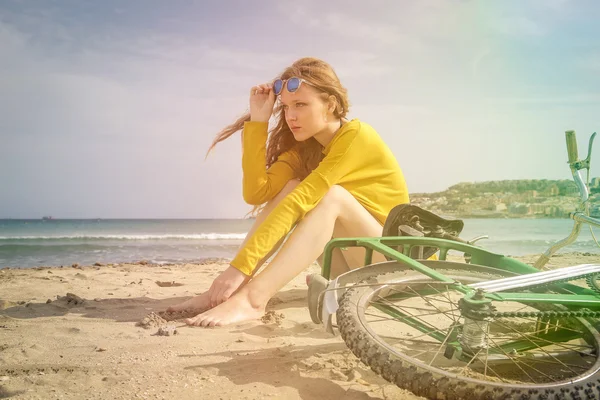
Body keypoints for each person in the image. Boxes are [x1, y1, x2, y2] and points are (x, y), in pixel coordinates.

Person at [167, 57, 409, 327]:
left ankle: (252, 300)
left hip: (398, 267)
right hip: (351, 271)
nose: (291, 116)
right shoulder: (303, 151)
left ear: (330, 105)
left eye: (301, 105)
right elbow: (257, 193)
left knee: (331, 197)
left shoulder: (356, 136)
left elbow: (301, 202)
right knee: (293, 187)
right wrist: (259, 120)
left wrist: (238, 267)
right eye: (286, 107)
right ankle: (230, 292)